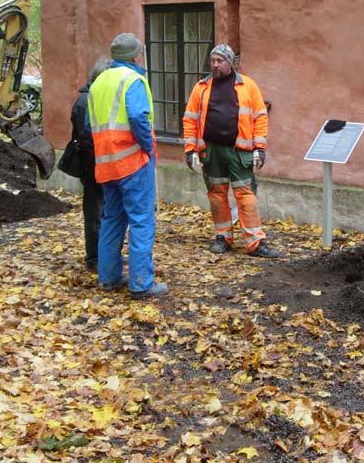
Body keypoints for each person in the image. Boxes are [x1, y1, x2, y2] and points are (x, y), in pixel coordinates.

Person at [87, 33, 168, 298]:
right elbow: (137, 116)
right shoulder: (133, 80)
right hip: (132, 162)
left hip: (105, 164)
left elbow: (91, 125)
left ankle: (108, 278)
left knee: (112, 219)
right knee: (142, 222)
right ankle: (141, 283)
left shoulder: (98, 82)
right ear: (136, 56)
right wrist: (147, 146)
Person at [182, 44, 280, 258]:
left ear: (230, 63)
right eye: (213, 61)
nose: (215, 65)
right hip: (211, 150)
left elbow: (260, 117)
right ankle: (223, 236)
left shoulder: (248, 86)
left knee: (246, 195)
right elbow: (189, 119)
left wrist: (259, 148)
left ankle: (255, 242)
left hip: (239, 151)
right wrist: (190, 150)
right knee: (217, 195)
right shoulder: (201, 87)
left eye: (220, 61)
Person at [69, 57, 111, 272]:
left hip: (98, 162)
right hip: (93, 164)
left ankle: (101, 256)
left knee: (102, 210)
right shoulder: (87, 101)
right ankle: (94, 258)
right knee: (96, 211)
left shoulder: (91, 98)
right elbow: (86, 138)